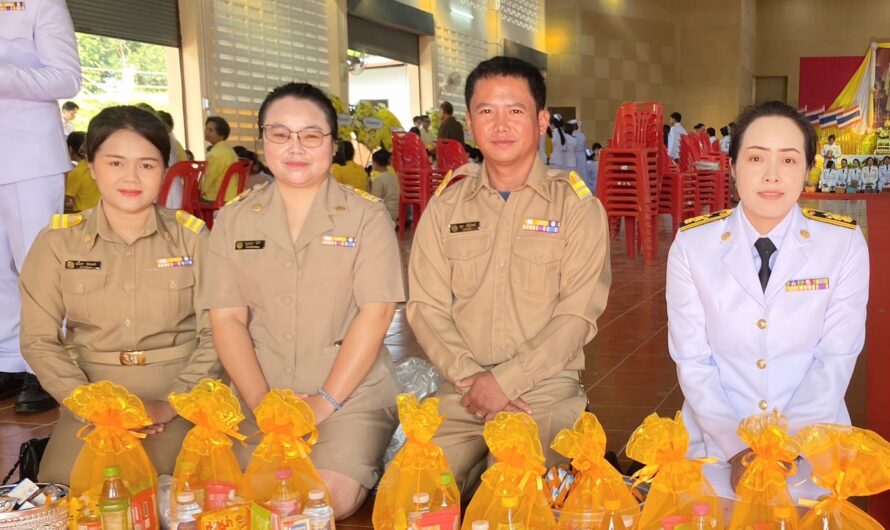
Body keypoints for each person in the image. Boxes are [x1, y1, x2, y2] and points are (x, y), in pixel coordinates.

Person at [407, 56, 611, 493]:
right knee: (414, 496)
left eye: (514, 111)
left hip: (542, 391)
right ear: (470, 123)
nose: (500, 125)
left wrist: (506, 382)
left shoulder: (576, 208)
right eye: (486, 111)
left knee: (521, 500)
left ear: (540, 121)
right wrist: (473, 380)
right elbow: (425, 307)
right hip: (461, 389)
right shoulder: (446, 207)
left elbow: (577, 317)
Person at [201, 82, 403, 518]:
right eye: (280, 134)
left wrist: (323, 403)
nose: (296, 147)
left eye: (311, 135)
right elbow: (228, 320)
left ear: (332, 145)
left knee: (323, 499)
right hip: (261, 393)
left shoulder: (365, 216)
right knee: (237, 497)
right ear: (262, 142)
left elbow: (378, 311)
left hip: (348, 397)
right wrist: (261, 406)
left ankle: (363, 456)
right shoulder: (233, 220)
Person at [665, 100, 869, 506]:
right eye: (756, 157)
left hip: (810, 447)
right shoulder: (693, 245)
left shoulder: (842, 244)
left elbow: (836, 358)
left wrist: (782, 449)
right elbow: (693, 361)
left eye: (789, 160)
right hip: (715, 445)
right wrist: (738, 449)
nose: (772, 175)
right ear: (733, 165)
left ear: (808, 169)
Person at [20, 105, 220, 483]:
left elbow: (217, 332)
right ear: (91, 166)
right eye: (115, 163)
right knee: (65, 501)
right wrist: (92, 405)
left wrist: (173, 402)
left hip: (178, 399)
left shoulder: (192, 238)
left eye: (147, 164)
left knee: (183, 501)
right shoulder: (58, 243)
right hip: (91, 398)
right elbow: (38, 340)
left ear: (164, 169)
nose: (131, 177)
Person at [0, 0, 81, 413]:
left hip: (27, 155)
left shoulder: (40, 2)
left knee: (36, 265)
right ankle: (9, 361)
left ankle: (46, 365)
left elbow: (66, 79)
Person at [201, 116, 239, 202]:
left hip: (218, 197)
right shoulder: (230, 150)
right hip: (233, 195)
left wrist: (198, 192)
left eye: (211, 130)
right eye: (206, 129)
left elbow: (208, 178)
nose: (206, 132)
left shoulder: (215, 154)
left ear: (221, 136)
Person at [64, 131, 100, 212]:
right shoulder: (98, 166)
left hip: (81, 215)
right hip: (99, 212)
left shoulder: (76, 173)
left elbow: (67, 201)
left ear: (70, 149)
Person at [369, 148, 399, 224]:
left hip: (385, 212)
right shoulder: (393, 176)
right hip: (396, 211)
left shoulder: (379, 179)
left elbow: (374, 200)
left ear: (375, 163)